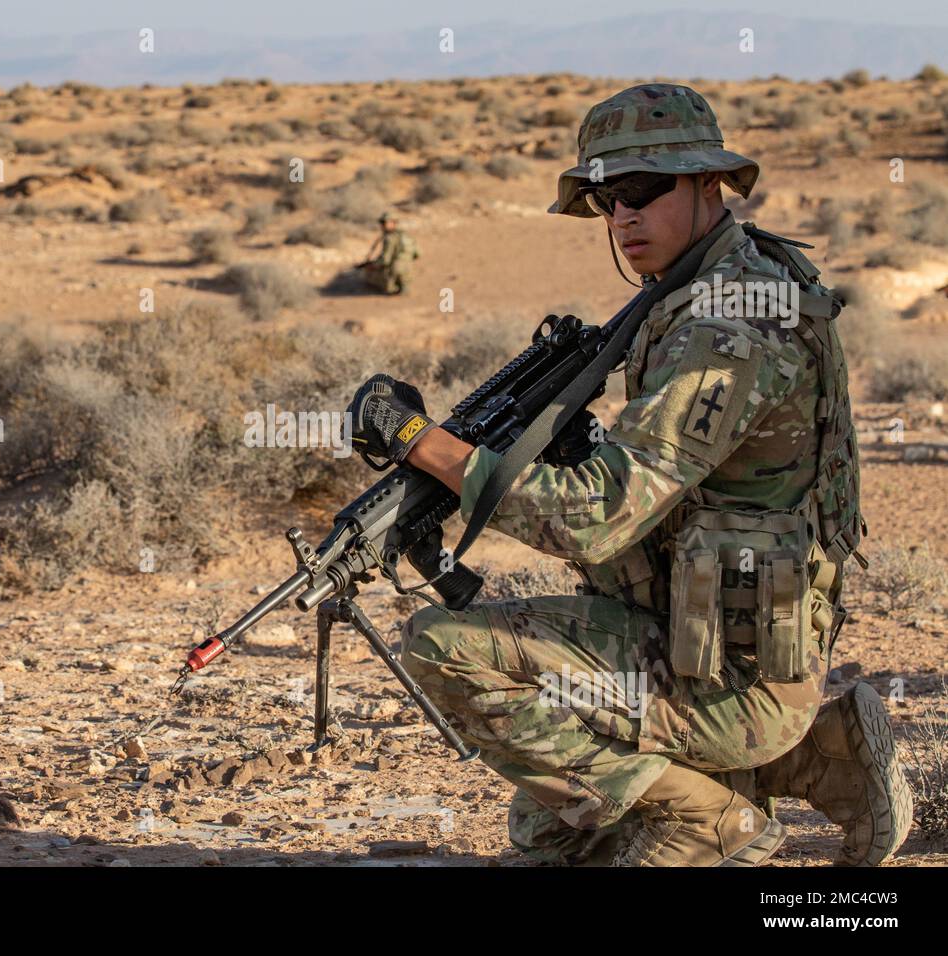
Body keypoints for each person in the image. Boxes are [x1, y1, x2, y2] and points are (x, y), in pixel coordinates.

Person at [345, 84, 911, 867]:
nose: (623, 216)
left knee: (444, 649)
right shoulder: (708, 286)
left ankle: (713, 820)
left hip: (727, 673)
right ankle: (823, 757)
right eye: (608, 197)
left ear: (709, 185)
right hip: (704, 642)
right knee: (549, 831)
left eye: (644, 191)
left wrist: (420, 443)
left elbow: (596, 518)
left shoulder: (726, 324)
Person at [359, 213, 418, 294]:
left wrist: (372, 265)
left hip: (396, 269)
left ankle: (394, 287)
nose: (382, 225)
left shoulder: (389, 238)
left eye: (384, 223)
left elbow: (385, 260)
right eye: (382, 223)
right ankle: (402, 286)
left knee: (369, 274)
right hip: (408, 269)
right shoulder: (405, 235)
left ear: (393, 223)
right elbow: (417, 254)